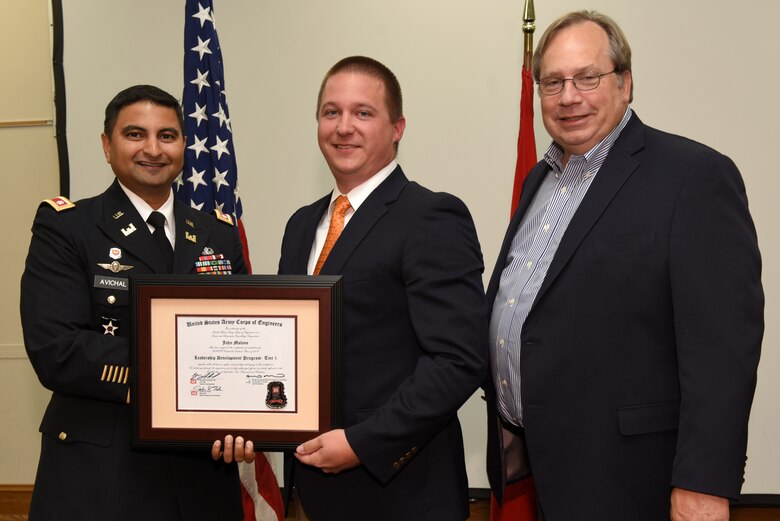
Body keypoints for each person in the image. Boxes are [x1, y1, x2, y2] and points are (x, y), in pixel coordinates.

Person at [484, 11, 763, 521]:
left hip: (636, 480)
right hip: (542, 472)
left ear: (625, 82)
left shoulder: (693, 177)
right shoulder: (537, 184)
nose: (569, 97)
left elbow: (722, 349)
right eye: (553, 83)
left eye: (588, 77)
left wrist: (702, 482)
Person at [21, 84, 253, 521]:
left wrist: (248, 406)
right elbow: (57, 349)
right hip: (101, 474)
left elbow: (241, 340)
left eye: (167, 135)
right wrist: (179, 377)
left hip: (201, 476)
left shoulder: (218, 234)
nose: (153, 149)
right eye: (135, 134)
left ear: (184, 145)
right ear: (107, 146)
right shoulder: (68, 226)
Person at [278, 56, 488, 520]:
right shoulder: (300, 225)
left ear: (397, 128)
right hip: (313, 485)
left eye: (363, 113)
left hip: (403, 490)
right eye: (331, 112)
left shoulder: (430, 216)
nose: (343, 127)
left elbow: (458, 359)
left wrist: (362, 442)